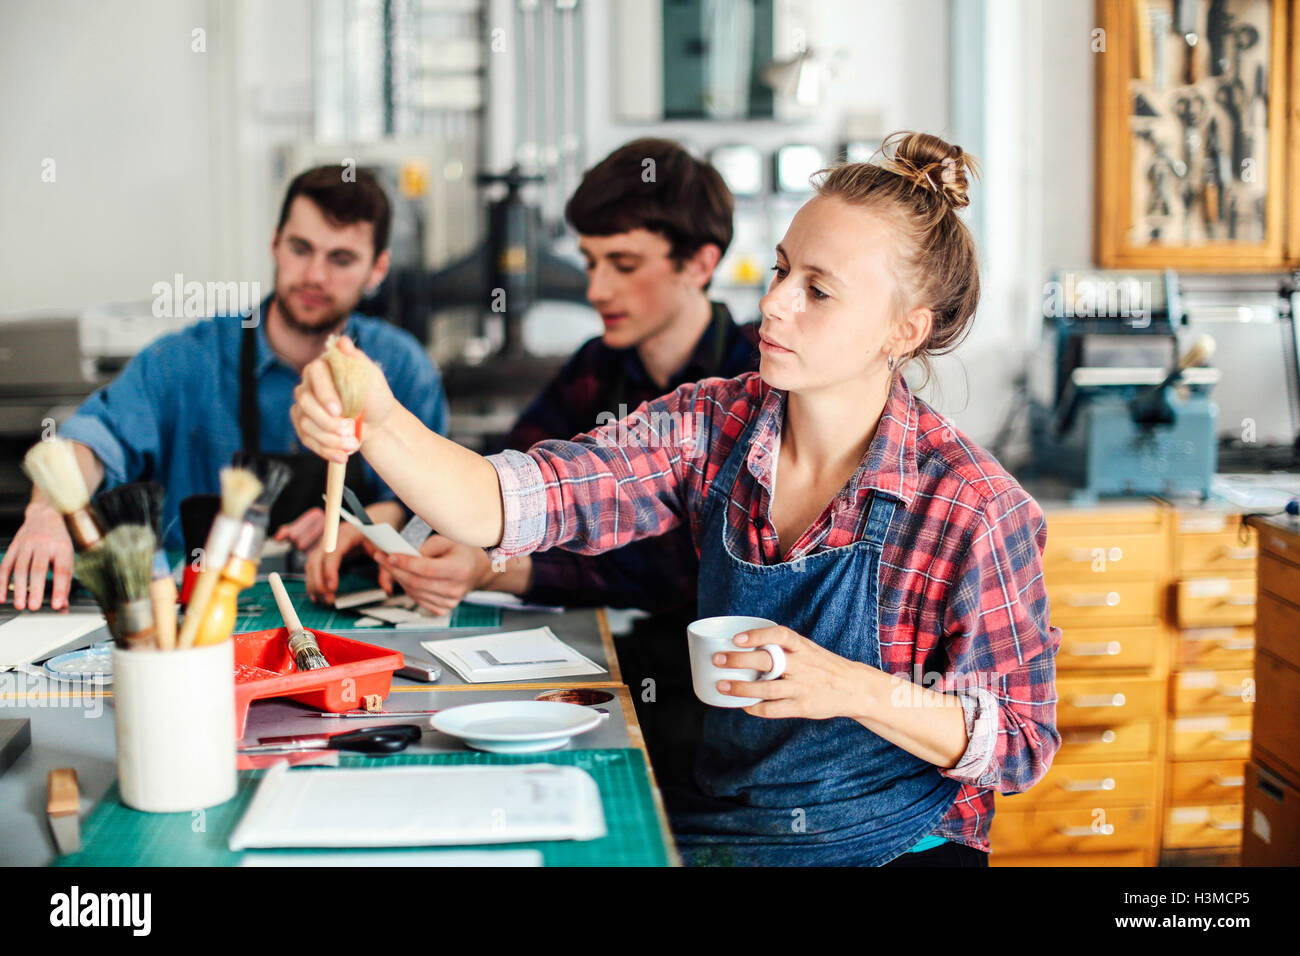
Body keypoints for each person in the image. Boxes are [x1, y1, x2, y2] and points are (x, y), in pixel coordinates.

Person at [290, 131, 1061, 866]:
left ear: (905, 330)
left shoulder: (973, 507)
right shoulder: (710, 423)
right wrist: (379, 422)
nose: (778, 302)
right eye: (783, 269)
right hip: (729, 823)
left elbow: (1023, 743)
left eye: (818, 290)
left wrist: (852, 688)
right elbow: (516, 498)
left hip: (893, 843)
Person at [306, 139, 758, 614]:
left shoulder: (750, 389)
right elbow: (508, 475)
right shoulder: (596, 367)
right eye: (589, 261)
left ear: (701, 264)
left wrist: (496, 568)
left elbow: (680, 574)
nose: (596, 289)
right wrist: (403, 524)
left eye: (624, 265)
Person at [1, 165, 448, 611]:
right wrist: (48, 510)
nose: (314, 275)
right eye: (300, 248)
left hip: (344, 607)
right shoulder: (186, 360)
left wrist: (356, 526)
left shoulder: (402, 369)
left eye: (341, 259)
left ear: (378, 268)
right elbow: (95, 438)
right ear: (275, 244)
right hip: (197, 613)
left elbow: (423, 507)